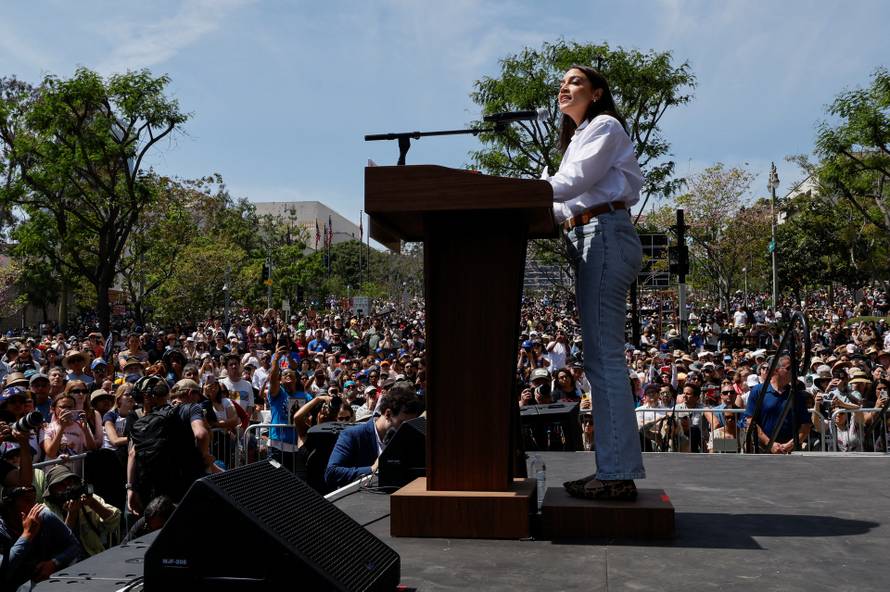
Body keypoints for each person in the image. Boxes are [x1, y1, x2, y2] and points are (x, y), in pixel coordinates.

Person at [542, 65, 644, 500]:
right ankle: (612, 467)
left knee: (604, 361)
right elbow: (565, 205)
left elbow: (572, 185)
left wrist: (515, 191)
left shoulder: (604, 125)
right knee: (600, 361)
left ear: (597, 93)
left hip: (604, 235)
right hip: (589, 235)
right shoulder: (578, 137)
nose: (565, 87)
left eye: (576, 81)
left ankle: (617, 472)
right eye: (563, 82)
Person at [325, 383, 421, 489]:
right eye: (402, 423)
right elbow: (331, 473)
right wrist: (371, 469)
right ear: (388, 414)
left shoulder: (407, 438)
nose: (406, 430)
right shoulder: (353, 435)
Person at [743, 354, 812, 454]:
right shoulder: (758, 391)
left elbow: (806, 425)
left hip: (791, 452)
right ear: (776, 370)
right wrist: (769, 443)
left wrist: (789, 445)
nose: (793, 371)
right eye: (788, 368)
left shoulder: (796, 395)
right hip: (763, 450)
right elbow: (750, 421)